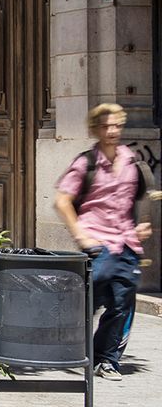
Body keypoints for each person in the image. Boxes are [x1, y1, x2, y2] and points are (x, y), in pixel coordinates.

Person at [53, 104, 154, 379]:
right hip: (97, 242)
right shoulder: (86, 162)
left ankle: (106, 359)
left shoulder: (132, 161)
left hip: (127, 243)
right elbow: (62, 201)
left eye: (116, 125)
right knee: (90, 302)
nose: (112, 131)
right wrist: (81, 236)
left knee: (122, 305)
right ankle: (73, 349)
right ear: (95, 129)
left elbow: (139, 198)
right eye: (106, 126)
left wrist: (142, 224)